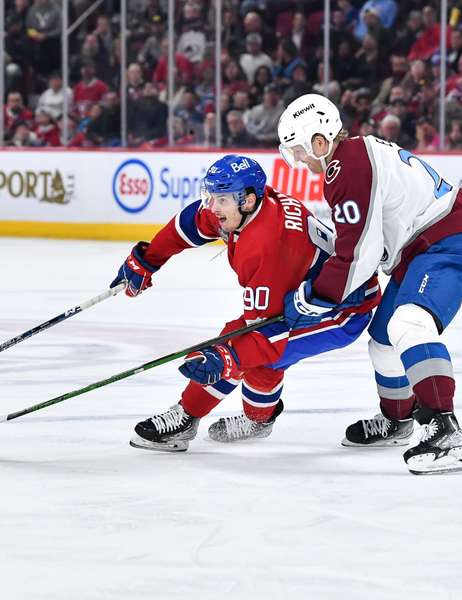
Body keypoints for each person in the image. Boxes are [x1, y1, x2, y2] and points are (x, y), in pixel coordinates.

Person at [277, 93, 462, 475]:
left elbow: (359, 253)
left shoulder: (347, 167)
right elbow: (364, 250)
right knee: (384, 341)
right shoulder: (353, 157)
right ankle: (398, 420)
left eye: (299, 150)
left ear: (318, 140)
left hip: (450, 244)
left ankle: (445, 431)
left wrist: (316, 296)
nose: (299, 161)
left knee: (409, 322)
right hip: (423, 248)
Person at [113, 154, 380, 452]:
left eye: (221, 199)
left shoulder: (266, 246)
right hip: (303, 293)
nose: (213, 208)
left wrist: (226, 358)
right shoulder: (246, 207)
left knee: (245, 350)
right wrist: (148, 260)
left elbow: (266, 335)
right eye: (211, 196)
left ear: (248, 200)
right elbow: (190, 224)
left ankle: (190, 417)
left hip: (341, 309)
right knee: (245, 351)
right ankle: (258, 418)